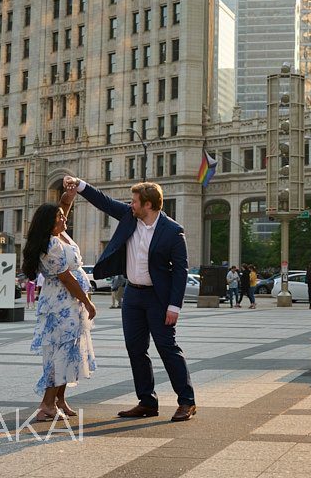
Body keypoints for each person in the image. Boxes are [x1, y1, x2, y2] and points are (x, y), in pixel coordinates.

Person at [64, 176, 196, 422]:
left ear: (148, 205)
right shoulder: (128, 217)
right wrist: (79, 184)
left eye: (135, 201)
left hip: (158, 298)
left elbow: (181, 271)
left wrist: (174, 306)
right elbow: (103, 202)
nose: (130, 204)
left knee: (167, 348)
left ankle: (186, 401)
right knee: (136, 349)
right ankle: (147, 402)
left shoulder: (173, 231)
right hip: (133, 295)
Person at [22, 192, 96, 421]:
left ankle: (59, 400)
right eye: (60, 217)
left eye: (64, 216)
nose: (65, 219)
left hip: (69, 304)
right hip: (61, 304)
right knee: (60, 352)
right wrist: (87, 301)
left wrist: (69, 196)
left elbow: (62, 208)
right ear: (50, 222)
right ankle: (47, 404)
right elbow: (66, 278)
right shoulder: (51, 244)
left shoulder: (59, 234)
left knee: (70, 350)